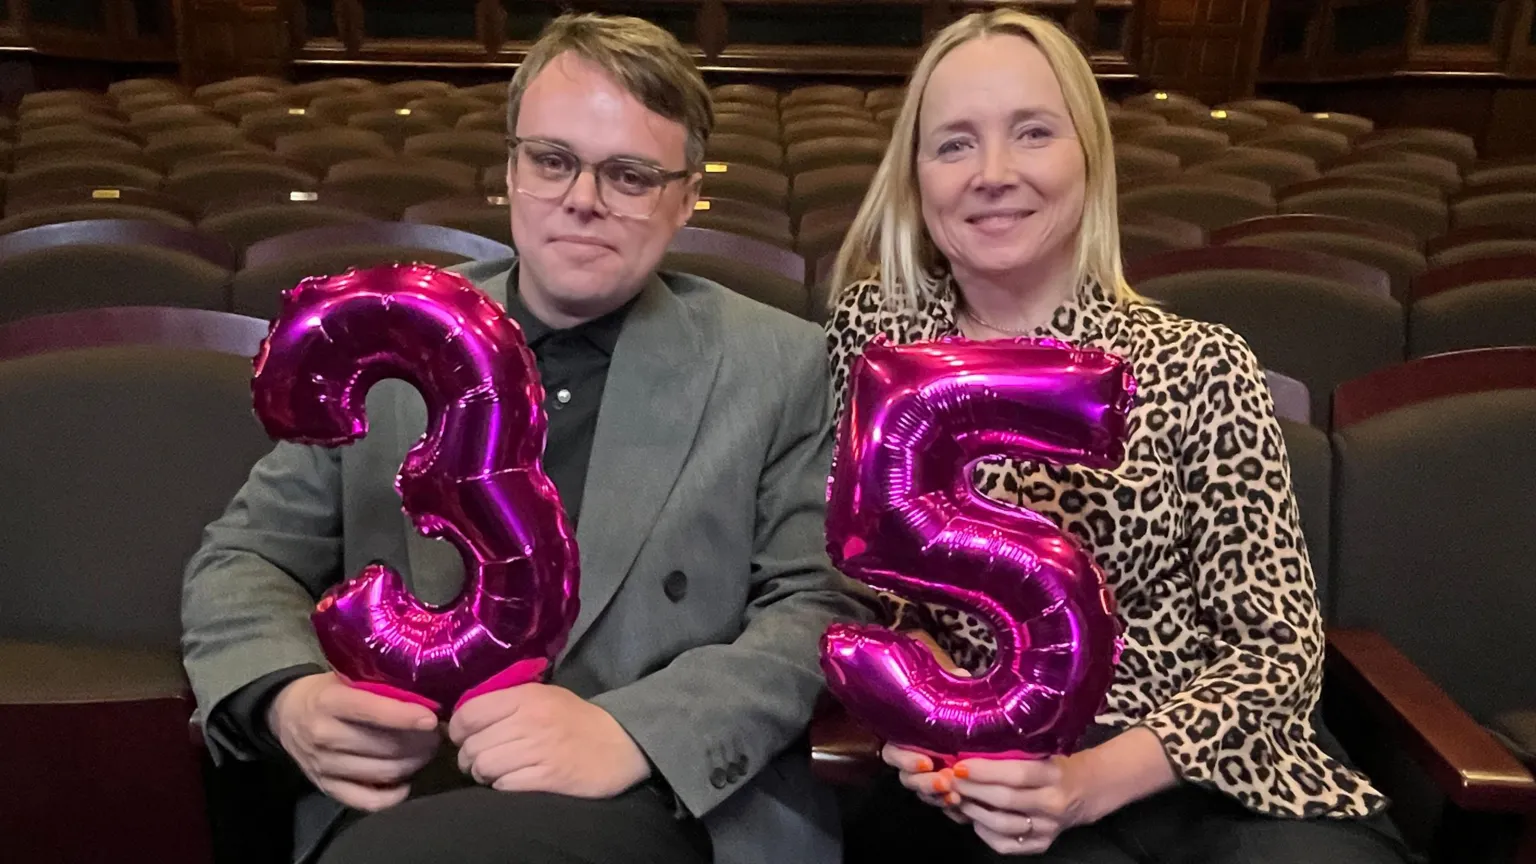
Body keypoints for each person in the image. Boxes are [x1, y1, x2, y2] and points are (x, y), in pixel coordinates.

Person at [182, 13, 869, 864]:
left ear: (687, 196)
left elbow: (818, 608)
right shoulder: (393, 337)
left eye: (629, 174)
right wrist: (291, 698)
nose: (583, 198)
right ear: (510, 169)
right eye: (552, 160)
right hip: (415, 788)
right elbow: (244, 559)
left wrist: (631, 734)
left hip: (672, 798)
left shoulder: (782, 363)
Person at [822, 10, 1412, 864]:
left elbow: (1277, 647)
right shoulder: (873, 343)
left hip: (1199, 774)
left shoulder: (1201, 362)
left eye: (1032, 133)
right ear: (914, 177)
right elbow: (852, 580)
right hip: (979, 778)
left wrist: (1090, 782)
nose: (992, 173)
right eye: (953, 144)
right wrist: (915, 716)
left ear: (1088, 156)